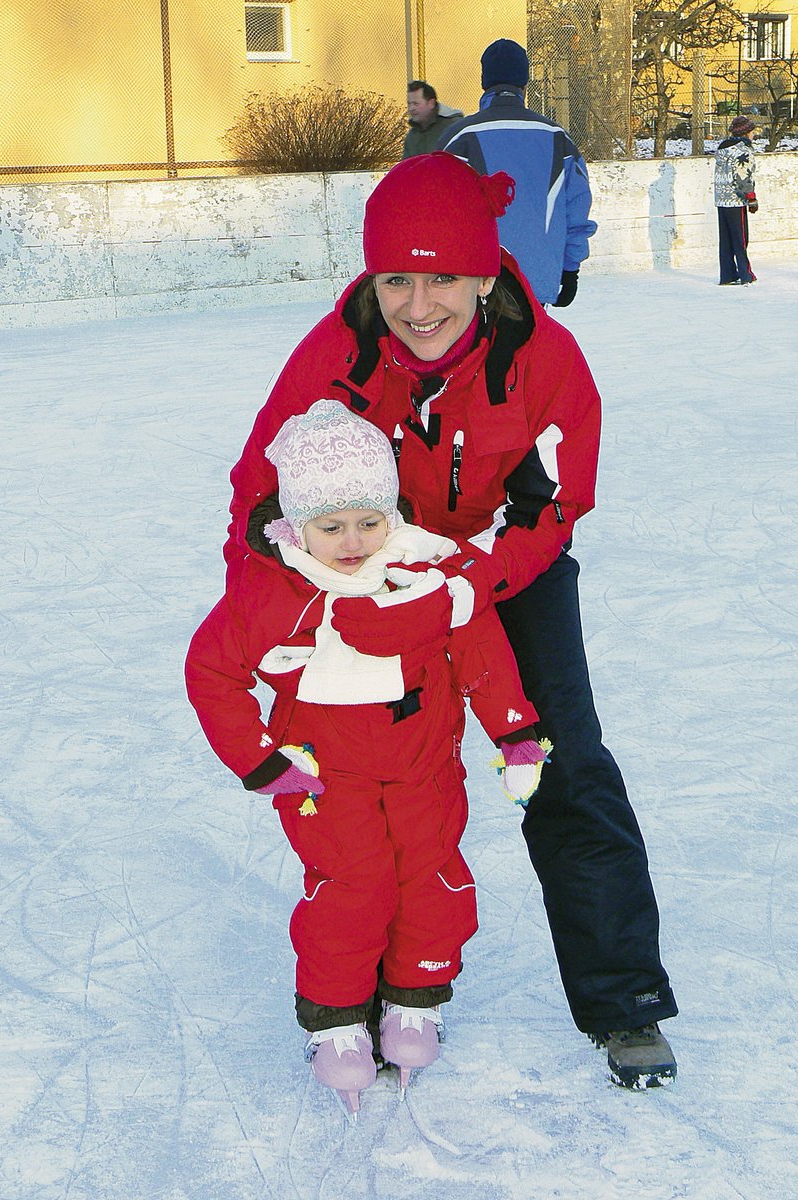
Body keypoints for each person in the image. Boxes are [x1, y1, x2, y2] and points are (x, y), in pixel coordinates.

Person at [223, 152, 678, 1091]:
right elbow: (259, 497)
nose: (418, 304)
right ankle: (369, 998)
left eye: (443, 278)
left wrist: (467, 584)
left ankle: (624, 1002)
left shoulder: (542, 361)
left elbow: (554, 506)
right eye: (396, 278)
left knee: (562, 763)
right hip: (361, 575)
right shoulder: (334, 358)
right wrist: (276, 601)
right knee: (359, 788)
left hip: (505, 573)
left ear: (483, 275)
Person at [186, 398, 547, 1116]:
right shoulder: (271, 592)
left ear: (392, 513)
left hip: (424, 771)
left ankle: (414, 999)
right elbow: (212, 673)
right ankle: (336, 1018)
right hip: (323, 778)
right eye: (330, 526)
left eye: (368, 521)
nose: (351, 541)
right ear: (296, 525)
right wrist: (261, 761)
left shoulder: (424, 579)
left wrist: (515, 735)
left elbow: (482, 657)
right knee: (352, 887)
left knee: (430, 875)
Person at [436, 38, 596, 308]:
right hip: (536, 285)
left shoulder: (459, 137)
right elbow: (576, 208)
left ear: (485, 82)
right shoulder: (557, 138)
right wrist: (571, 270)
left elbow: (436, 211)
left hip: (475, 284)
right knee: (527, 349)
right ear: (524, 83)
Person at [714, 115, 759, 286]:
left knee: (725, 241)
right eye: (752, 131)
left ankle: (727, 275)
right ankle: (745, 274)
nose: (753, 135)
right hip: (736, 199)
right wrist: (751, 198)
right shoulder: (743, 151)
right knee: (740, 239)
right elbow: (743, 176)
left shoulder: (723, 148)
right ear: (745, 133)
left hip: (721, 199)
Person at [403, 80, 463, 159]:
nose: (411, 108)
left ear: (431, 103)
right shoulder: (412, 136)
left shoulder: (453, 127)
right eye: (409, 103)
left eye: (416, 104)